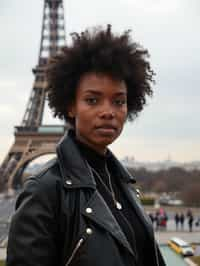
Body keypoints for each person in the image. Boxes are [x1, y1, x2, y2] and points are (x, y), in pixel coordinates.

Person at [7, 25, 166, 266]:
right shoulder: (44, 191)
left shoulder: (123, 184)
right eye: (92, 100)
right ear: (71, 106)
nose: (108, 112)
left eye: (119, 101)